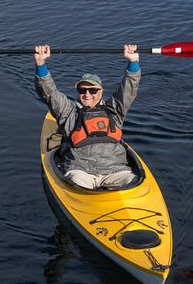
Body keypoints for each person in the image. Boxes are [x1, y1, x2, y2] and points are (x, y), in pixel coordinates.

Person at [34, 44, 141, 190]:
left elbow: (129, 89)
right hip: (80, 171)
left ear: (101, 92)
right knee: (78, 184)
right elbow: (49, 93)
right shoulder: (69, 112)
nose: (87, 94)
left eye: (93, 90)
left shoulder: (114, 110)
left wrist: (133, 62)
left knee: (133, 183)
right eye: (82, 90)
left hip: (116, 170)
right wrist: (41, 64)